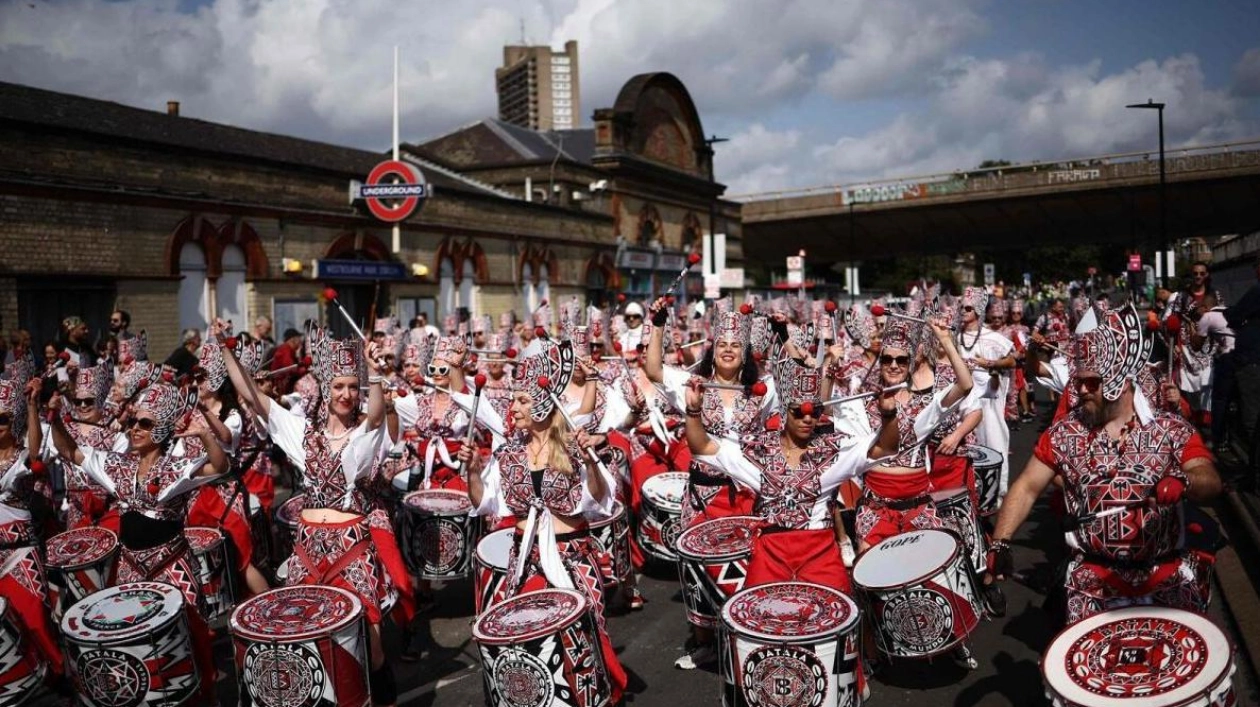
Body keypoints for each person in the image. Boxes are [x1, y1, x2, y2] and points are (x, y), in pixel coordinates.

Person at [988, 304, 1224, 625]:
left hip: (1163, 577)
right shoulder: (1064, 433)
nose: (1080, 390)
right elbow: (1027, 486)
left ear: (1120, 381)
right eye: (1079, 381)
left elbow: (1207, 478)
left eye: (1092, 383)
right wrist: (1001, 542)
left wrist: (1185, 481)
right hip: (1093, 581)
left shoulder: (1170, 430)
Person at [219, 321, 409, 707]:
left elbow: (376, 415)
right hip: (309, 548)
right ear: (325, 386)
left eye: (352, 387)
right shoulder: (301, 431)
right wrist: (225, 347)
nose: (346, 394)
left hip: (352, 548)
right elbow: (252, 395)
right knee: (311, 637)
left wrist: (372, 376)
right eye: (339, 386)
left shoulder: (364, 434)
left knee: (370, 645)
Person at [464, 336, 628, 702]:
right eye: (514, 399)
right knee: (524, 641)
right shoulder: (507, 452)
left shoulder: (572, 445)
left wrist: (589, 463)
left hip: (571, 555)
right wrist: (473, 472)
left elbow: (601, 500)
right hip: (525, 560)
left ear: (541, 402)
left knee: (579, 642)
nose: (513, 406)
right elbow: (487, 503)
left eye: (522, 399)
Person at [49, 375, 229, 703]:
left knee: (191, 633)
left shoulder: (174, 469)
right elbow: (69, 450)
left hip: (172, 567)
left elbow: (220, 466)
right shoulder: (117, 465)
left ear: (161, 430)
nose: (134, 428)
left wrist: (204, 434)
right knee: (131, 640)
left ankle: (203, 696)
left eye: (144, 423)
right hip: (130, 568)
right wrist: (53, 419)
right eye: (132, 421)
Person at [1225, 255, 1260, 485]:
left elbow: (1235, 316)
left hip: (1252, 361)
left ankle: (1254, 473)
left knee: (1252, 419)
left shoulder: (1257, 292)